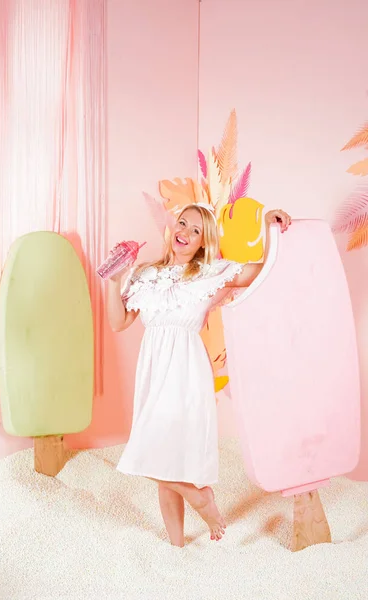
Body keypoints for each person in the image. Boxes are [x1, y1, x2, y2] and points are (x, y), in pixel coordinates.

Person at [107, 202, 291, 548]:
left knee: (154, 452)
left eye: (196, 231)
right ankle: (177, 543)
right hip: (153, 368)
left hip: (185, 368)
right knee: (160, 455)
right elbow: (119, 323)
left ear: (203, 242)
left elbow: (264, 270)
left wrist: (270, 229)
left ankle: (200, 498)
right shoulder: (145, 274)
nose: (186, 233)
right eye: (183, 223)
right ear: (173, 226)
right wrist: (115, 280)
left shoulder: (211, 273)